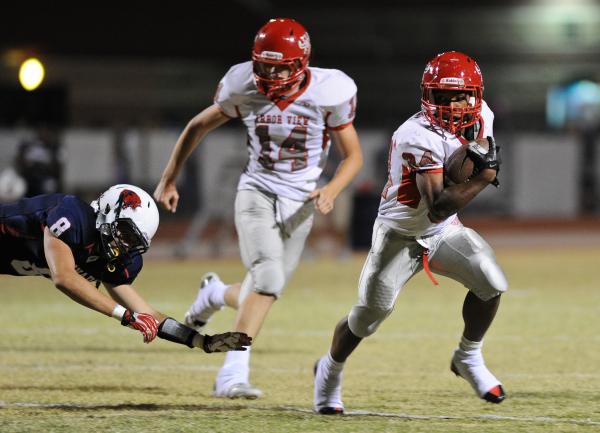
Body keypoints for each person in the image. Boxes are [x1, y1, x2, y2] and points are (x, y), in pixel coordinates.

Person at [154, 18, 363, 398]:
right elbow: (196, 126)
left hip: (302, 202)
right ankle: (231, 373)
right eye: (264, 65)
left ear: (301, 63)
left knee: (267, 287)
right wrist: (169, 178)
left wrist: (331, 188)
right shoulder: (243, 86)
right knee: (267, 278)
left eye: (280, 66)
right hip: (257, 192)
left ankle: (214, 293)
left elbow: (354, 156)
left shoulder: (330, 91)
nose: (271, 74)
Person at [313, 51, 508, 414]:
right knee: (367, 317)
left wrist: (475, 166)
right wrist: (484, 177)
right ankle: (329, 370)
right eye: (443, 96)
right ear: (427, 95)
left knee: (491, 281)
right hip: (399, 235)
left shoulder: (484, 116)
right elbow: (438, 204)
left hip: (442, 233)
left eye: (461, 94)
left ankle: (468, 357)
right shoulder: (415, 134)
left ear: (476, 94)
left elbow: (465, 170)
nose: (453, 104)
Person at [0, 184, 251, 353]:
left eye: (133, 241)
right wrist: (126, 317)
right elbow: (64, 277)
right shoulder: (73, 216)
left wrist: (200, 341)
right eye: (124, 232)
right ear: (108, 211)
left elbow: (148, 314)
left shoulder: (113, 258)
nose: (125, 245)